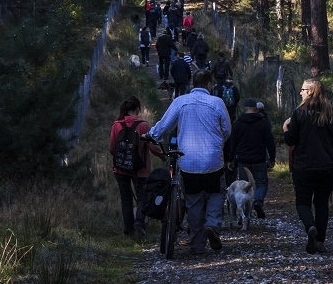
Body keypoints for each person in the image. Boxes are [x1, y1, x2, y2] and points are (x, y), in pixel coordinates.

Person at [146, 70, 231, 254]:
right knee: (216, 195)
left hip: (188, 163)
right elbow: (227, 130)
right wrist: (218, 143)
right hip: (212, 162)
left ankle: (197, 244)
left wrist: (151, 135)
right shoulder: (217, 103)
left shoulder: (181, 101)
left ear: (193, 83)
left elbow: (164, 125)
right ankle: (212, 225)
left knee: (193, 202)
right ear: (209, 84)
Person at [282, 79, 333, 254]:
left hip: (304, 166)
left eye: (302, 89)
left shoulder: (299, 113)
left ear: (309, 92)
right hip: (326, 167)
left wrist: (285, 128)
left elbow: (291, 140)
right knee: (322, 204)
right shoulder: (331, 113)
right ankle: (320, 241)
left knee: (303, 202)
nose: (300, 92)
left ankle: (310, 227)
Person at [109, 96, 166, 237]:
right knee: (142, 197)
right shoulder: (143, 125)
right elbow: (151, 147)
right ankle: (139, 222)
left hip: (120, 169)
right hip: (140, 169)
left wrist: (123, 159)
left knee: (126, 199)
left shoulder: (116, 125)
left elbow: (112, 149)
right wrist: (162, 156)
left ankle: (129, 231)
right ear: (138, 109)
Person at [228, 98, 276, 219]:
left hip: (243, 160)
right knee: (261, 183)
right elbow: (270, 141)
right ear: (256, 109)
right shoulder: (263, 123)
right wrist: (272, 158)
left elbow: (233, 143)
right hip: (259, 159)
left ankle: (244, 212)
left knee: (244, 187)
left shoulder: (238, 123)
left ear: (245, 109)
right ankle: (258, 201)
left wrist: (231, 159)